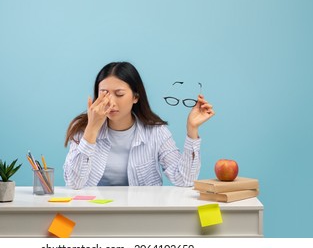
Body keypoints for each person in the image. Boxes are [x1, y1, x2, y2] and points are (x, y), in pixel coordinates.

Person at [63, 61, 215, 189]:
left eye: (119, 94)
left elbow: (185, 180)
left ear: (135, 97)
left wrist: (192, 129)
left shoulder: (156, 132)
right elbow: (74, 183)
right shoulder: (83, 128)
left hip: (141, 216)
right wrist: (91, 129)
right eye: (104, 93)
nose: (111, 102)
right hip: (96, 214)